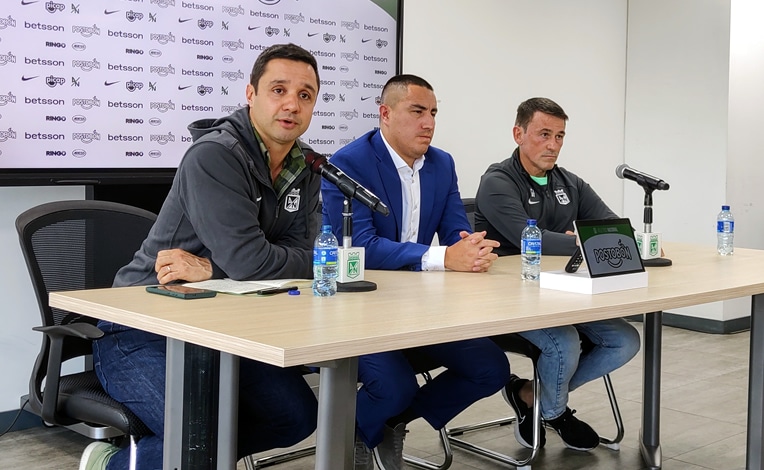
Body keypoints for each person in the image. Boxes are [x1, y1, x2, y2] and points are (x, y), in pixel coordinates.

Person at [79, 43, 322, 470]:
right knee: (200, 432)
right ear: (250, 95)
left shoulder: (305, 167)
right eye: (278, 89)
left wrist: (212, 268)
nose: (291, 104)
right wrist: (249, 264)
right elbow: (254, 263)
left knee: (296, 416)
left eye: (305, 94)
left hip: (226, 328)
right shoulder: (216, 155)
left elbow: (314, 257)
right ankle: (110, 465)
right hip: (143, 327)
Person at [321, 74, 510, 470]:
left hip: (424, 310)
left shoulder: (442, 163)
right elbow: (360, 248)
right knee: (394, 386)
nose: (429, 123)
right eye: (418, 111)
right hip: (363, 311)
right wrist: (444, 258)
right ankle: (358, 428)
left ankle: (388, 423)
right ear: (385, 114)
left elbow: (457, 230)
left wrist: (472, 249)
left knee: (490, 368)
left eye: (434, 113)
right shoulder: (348, 163)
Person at [474, 97, 641, 451]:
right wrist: (579, 240)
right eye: (544, 134)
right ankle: (556, 412)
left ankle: (532, 396)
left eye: (560, 136)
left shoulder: (571, 182)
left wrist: (574, 240)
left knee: (626, 340)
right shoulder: (498, 181)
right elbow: (528, 238)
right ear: (518, 133)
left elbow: (611, 227)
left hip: (562, 295)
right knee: (564, 342)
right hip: (509, 299)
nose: (553, 145)